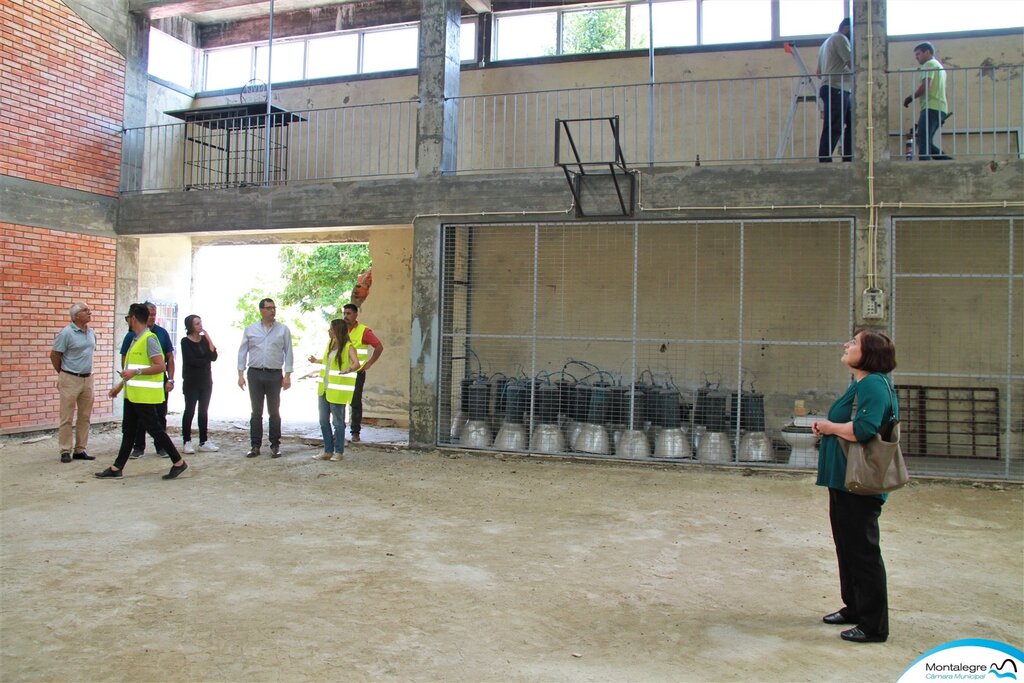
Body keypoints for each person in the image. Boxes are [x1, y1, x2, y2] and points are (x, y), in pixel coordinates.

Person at [811, 328, 898, 644]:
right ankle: (855, 607)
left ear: (869, 354)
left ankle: (874, 625)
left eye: (854, 343)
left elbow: (864, 429)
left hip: (858, 484)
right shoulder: (863, 383)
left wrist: (831, 426)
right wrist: (829, 429)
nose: (847, 345)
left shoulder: (874, 384)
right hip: (845, 480)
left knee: (862, 552)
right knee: (847, 547)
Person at [96, 303, 188, 480]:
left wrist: (135, 373)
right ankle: (117, 468)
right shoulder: (135, 339)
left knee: (155, 429)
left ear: (133, 318)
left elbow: (160, 366)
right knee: (129, 431)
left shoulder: (149, 339)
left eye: (128, 318)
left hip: (145, 396)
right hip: (133, 395)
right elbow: (131, 369)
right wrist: (120, 386)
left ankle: (178, 462)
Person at [237, 298, 293, 458]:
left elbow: (288, 352)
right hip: (255, 373)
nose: (272, 311)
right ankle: (255, 445)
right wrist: (240, 375)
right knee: (256, 411)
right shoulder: (251, 329)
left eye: (274, 308)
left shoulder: (283, 330)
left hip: (274, 374)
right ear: (261, 310)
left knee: (274, 411)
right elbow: (242, 352)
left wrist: (287, 375)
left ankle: (275, 445)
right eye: (268, 308)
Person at [120, 302, 174, 457]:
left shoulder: (154, 336)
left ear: (134, 318)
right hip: (134, 390)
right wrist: (122, 382)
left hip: (150, 390)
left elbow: (165, 361)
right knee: (131, 428)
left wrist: (170, 380)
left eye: (154, 314)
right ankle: (124, 460)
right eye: (150, 314)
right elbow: (126, 360)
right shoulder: (132, 337)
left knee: (156, 424)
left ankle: (173, 457)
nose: (152, 317)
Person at [49, 302, 97, 463]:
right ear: (76, 316)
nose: (89, 312)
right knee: (66, 416)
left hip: (88, 378)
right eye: (85, 310)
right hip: (70, 378)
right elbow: (55, 355)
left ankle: (80, 449)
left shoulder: (91, 332)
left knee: (85, 416)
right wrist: (63, 373)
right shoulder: (66, 333)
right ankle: (65, 450)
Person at [308, 319, 359, 461]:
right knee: (323, 421)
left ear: (337, 330)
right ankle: (327, 450)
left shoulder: (348, 347)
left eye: (331, 329)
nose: (329, 331)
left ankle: (339, 452)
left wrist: (348, 369)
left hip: (337, 391)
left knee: (337, 422)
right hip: (324, 389)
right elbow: (327, 361)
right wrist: (315, 361)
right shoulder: (330, 345)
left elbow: (356, 363)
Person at [341, 303, 384, 443]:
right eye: (344, 313)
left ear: (355, 315)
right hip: (341, 373)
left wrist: (370, 363)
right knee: (339, 401)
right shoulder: (340, 330)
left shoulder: (363, 331)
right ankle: (339, 429)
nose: (346, 316)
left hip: (356, 373)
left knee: (355, 402)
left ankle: (355, 432)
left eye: (348, 313)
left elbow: (378, 346)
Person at [903, 42, 951, 160]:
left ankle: (925, 164)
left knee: (922, 141)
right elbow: (944, 91)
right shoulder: (940, 67)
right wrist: (942, 114)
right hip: (940, 108)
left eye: (918, 54)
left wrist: (910, 98)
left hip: (931, 107)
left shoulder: (928, 64)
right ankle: (948, 162)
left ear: (928, 52)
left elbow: (925, 86)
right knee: (924, 140)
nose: (917, 57)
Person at [180, 314, 219, 454]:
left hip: (206, 381)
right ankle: (187, 441)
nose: (200, 325)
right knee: (189, 411)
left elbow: (214, 356)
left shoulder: (203, 340)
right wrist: (206, 358)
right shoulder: (185, 342)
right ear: (190, 326)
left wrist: (208, 338)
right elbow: (192, 361)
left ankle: (203, 441)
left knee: (203, 411)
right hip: (191, 382)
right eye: (197, 323)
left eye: (200, 322)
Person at [816, 17, 853, 162]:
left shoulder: (825, 44)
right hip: (836, 87)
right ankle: (825, 160)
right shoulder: (840, 38)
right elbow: (851, 63)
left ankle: (849, 156)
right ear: (847, 28)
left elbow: (818, 72)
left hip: (835, 87)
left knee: (851, 123)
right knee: (835, 126)